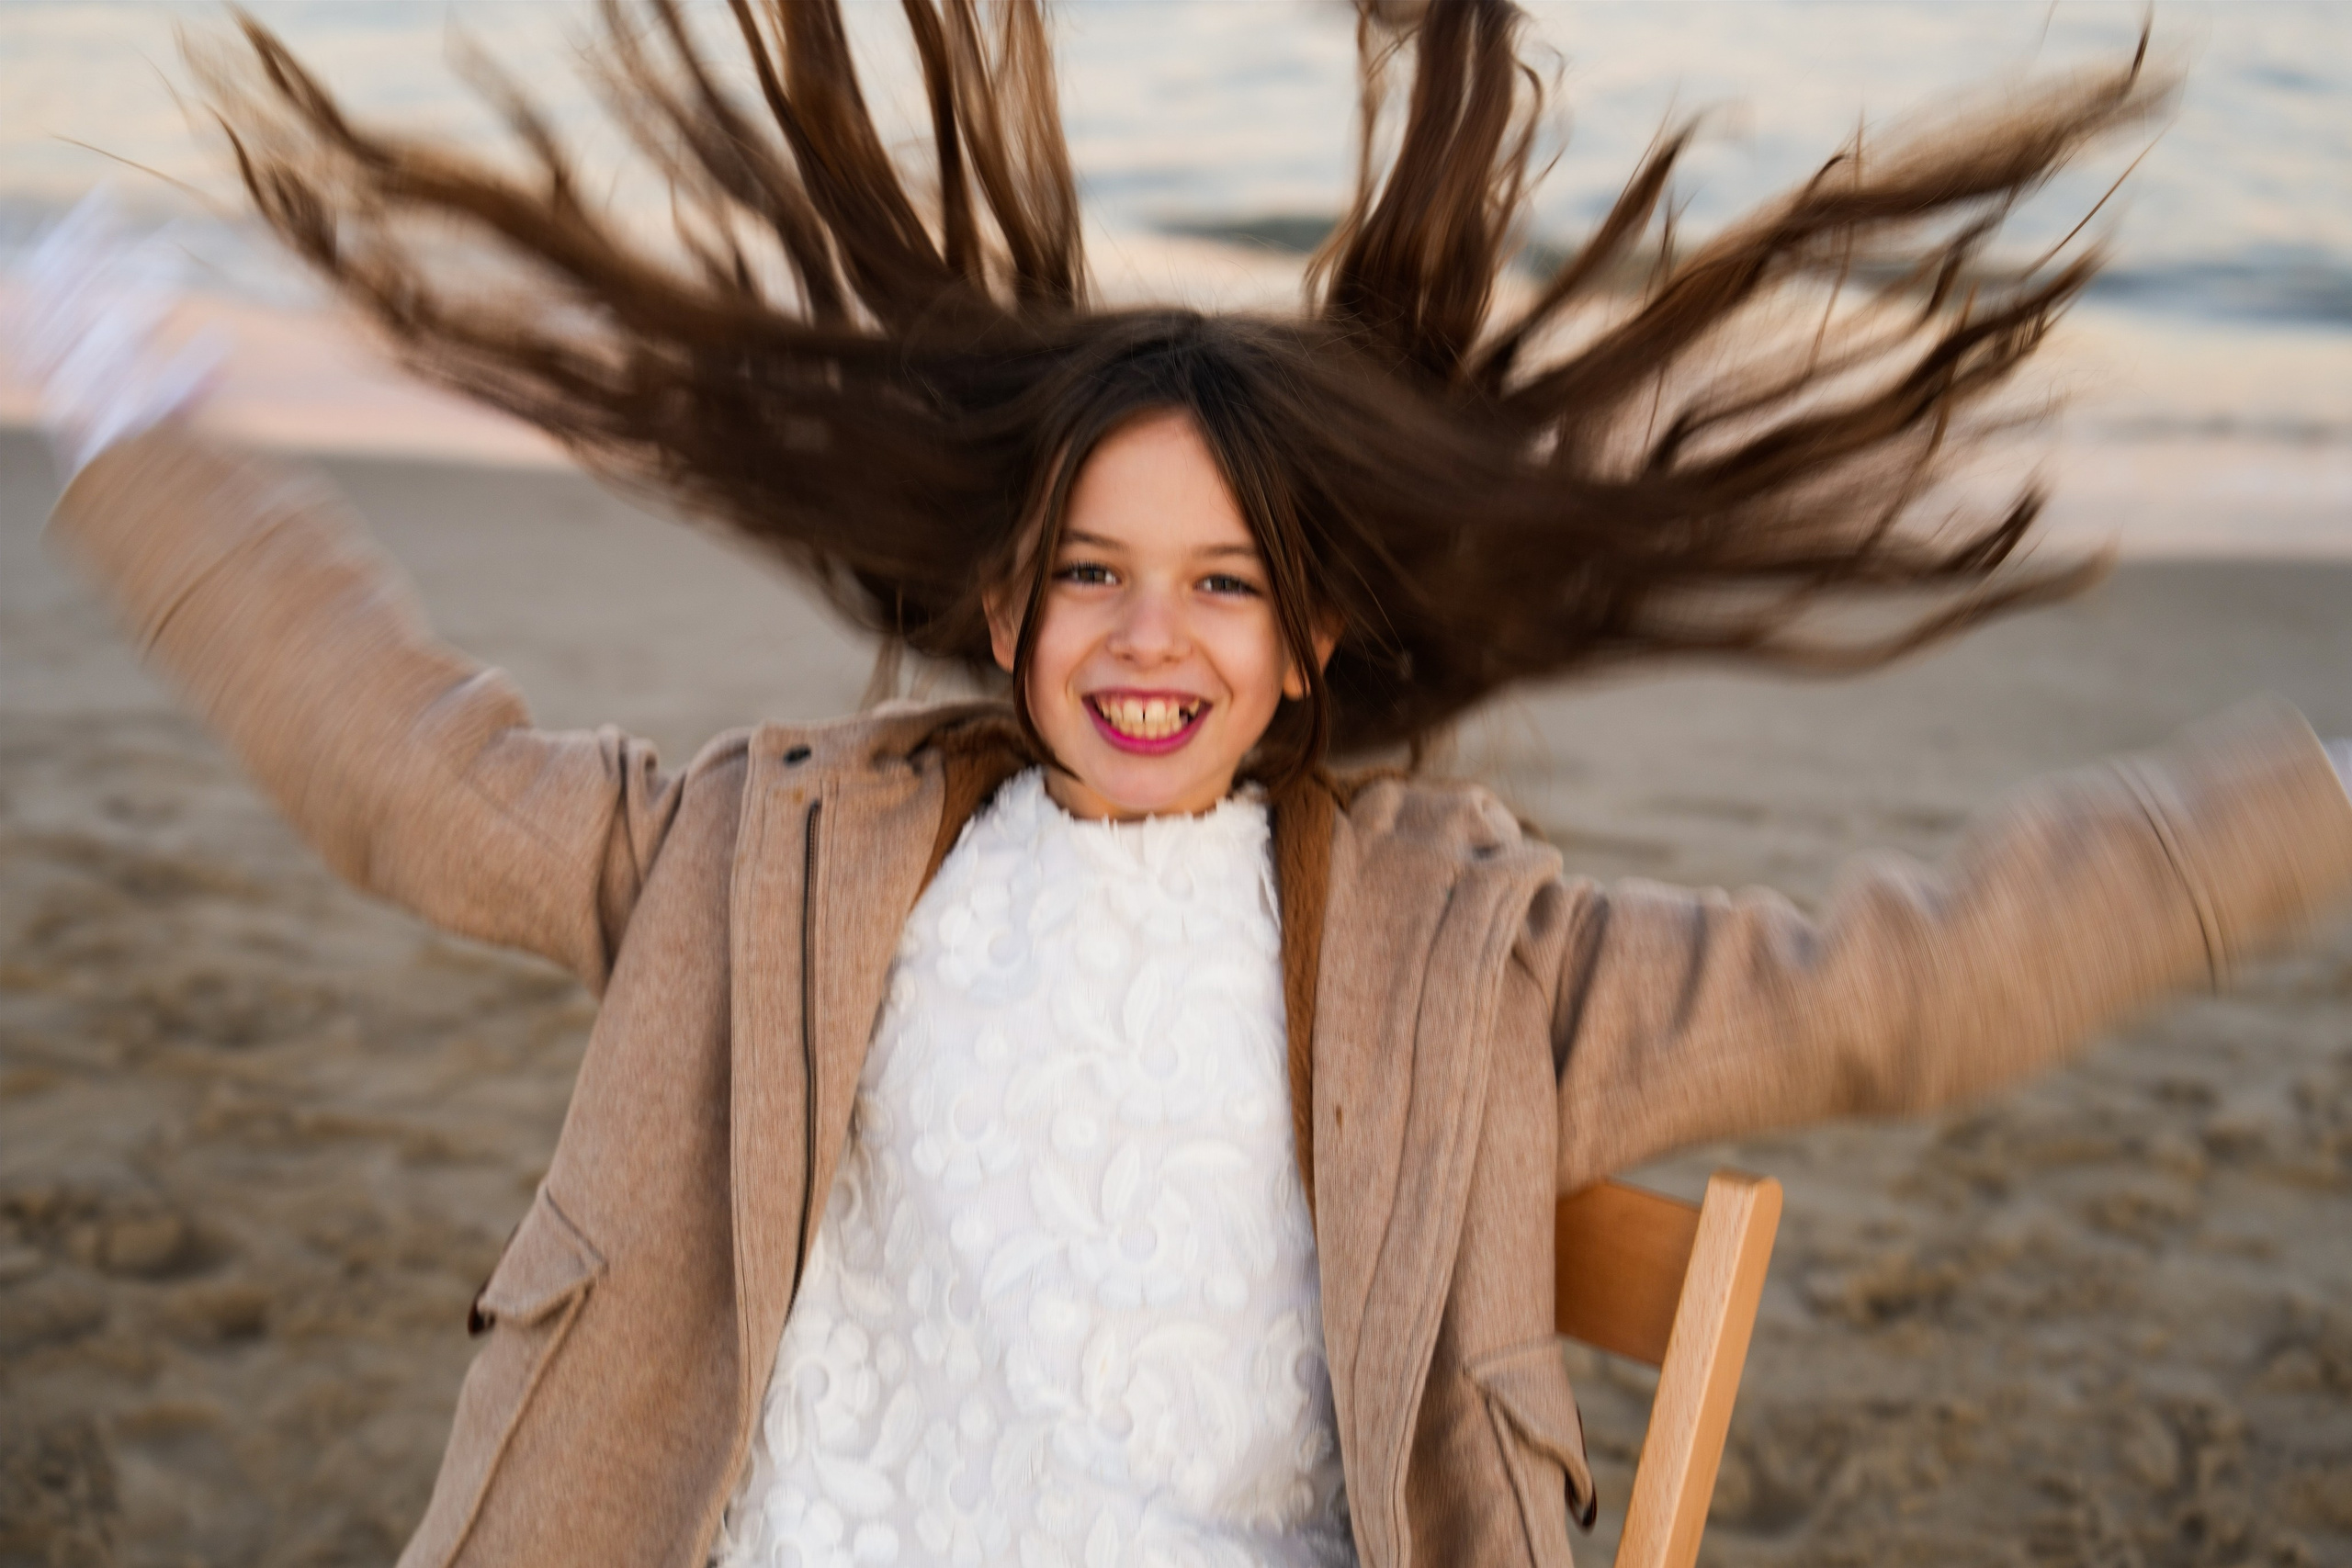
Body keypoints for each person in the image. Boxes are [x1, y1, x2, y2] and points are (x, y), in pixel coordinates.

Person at [10, 3, 2352, 1565]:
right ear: (1004, 604)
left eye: (1226, 586)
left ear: (1313, 631)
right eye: (1095, 577)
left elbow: (1896, 989)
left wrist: (2313, 791)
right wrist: (124, 423)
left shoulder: (1468, 953)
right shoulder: (775, 846)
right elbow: (410, 777)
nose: (1152, 642)